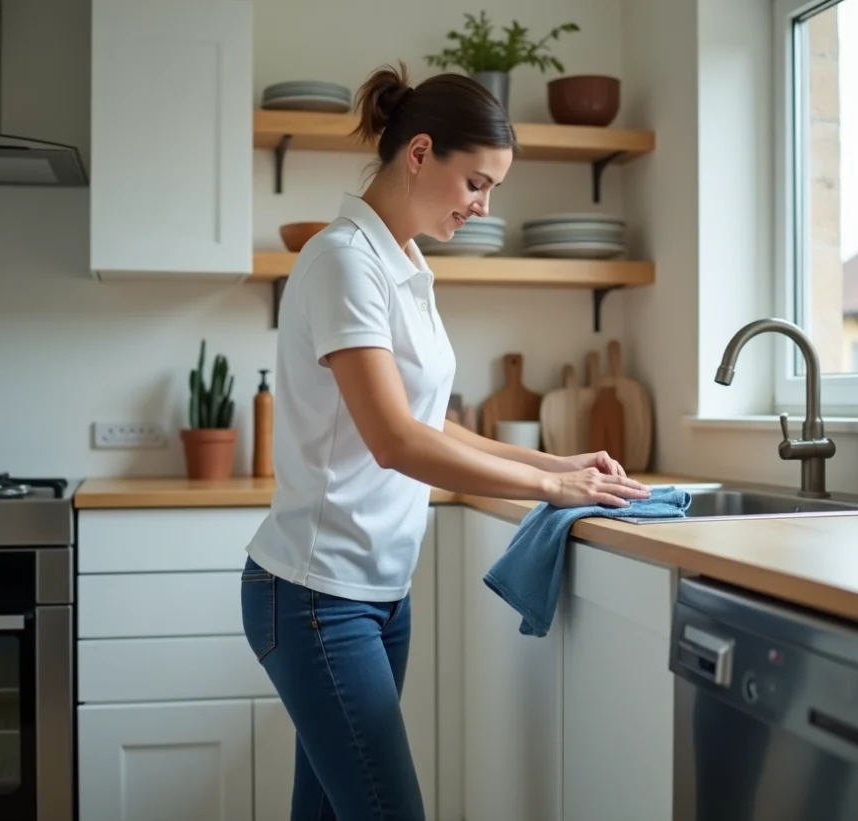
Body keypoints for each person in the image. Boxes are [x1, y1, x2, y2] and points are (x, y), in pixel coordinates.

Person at [240, 61, 651, 821]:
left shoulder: (403, 261)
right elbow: (396, 442)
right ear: (421, 153)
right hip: (312, 595)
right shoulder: (343, 259)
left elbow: (426, 419)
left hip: (375, 594)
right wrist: (553, 489)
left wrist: (553, 460)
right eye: (476, 183)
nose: (483, 206)